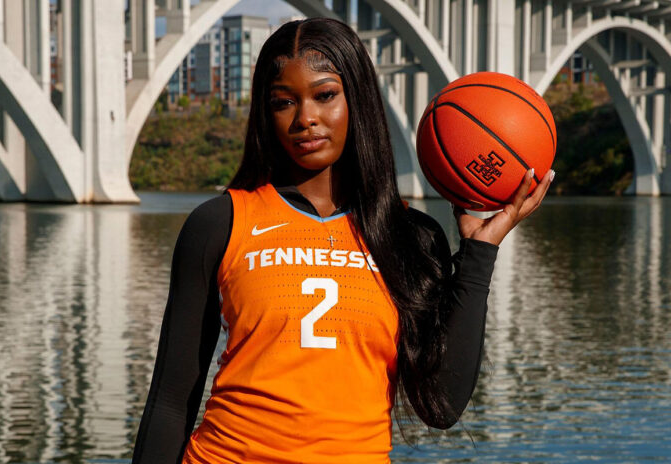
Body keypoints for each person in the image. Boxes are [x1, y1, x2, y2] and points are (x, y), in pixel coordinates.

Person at [131, 17, 553, 464]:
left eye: (325, 95)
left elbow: (442, 406)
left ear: (358, 99)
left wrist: (479, 253)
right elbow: (171, 400)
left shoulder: (411, 237)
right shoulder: (221, 223)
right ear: (265, 113)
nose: (305, 118)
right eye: (282, 102)